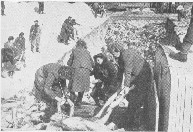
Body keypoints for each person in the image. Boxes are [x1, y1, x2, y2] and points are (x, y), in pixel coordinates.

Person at [111, 42, 153, 130]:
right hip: (135, 76)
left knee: (135, 100)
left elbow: (128, 71)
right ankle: (130, 120)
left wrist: (126, 86)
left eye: (113, 52)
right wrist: (118, 86)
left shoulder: (127, 54)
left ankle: (129, 124)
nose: (112, 54)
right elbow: (120, 72)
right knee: (131, 98)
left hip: (143, 76)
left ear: (118, 50)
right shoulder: (119, 57)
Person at [67, 39, 94, 107]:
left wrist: (69, 64)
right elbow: (92, 63)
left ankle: (71, 101)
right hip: (86, 71)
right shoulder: (87, 52)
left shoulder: (74, 50)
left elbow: (69, 62)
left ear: (77, 45)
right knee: (82, 87)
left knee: (71, 86)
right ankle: (79, 102)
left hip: (76, 69)